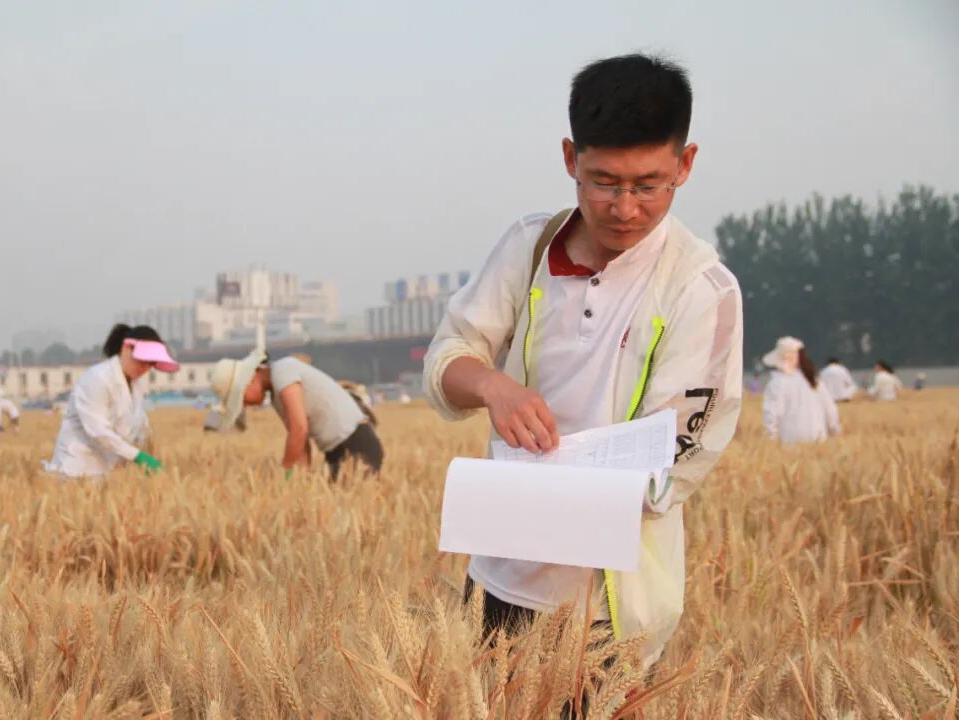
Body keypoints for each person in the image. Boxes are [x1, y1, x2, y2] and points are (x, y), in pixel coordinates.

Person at [423, 54, 743, 670]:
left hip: (609, 607)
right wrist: (493, 386)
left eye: (649, 185)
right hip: (499, 577)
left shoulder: (701, 290)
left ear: (686, 164)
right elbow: (448, 358)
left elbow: (675, 461)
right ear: (570, 158)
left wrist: (559, 494)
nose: (625, 207)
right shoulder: (529, 246)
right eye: (603, 182)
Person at [211, 350, 384, 480]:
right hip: (336, 452)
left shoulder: (282, 372)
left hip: (357, 444)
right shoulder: (277, 395)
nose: (245, 405)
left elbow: (299, 429)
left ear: (250, 378)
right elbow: (301, 443)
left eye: (241, 398)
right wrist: (297, 482)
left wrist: (285, 470)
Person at [45, 324, 179, 478]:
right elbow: (98, 431)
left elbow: (137, 425)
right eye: (142, 360)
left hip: (106, 471)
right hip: (75, 468)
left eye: (151, 363)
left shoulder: (136, 385)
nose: (145, 367)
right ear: (126, 348)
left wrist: (148, 452)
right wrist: (137, 456)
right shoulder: (97, 378)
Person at [761, 337, 840, 444]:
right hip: (818, 437)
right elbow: (830, 410)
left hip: (790, 441)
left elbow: (771, 414)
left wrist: (771, 438)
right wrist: (834, 431)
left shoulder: (777, 383)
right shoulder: (813, 380)